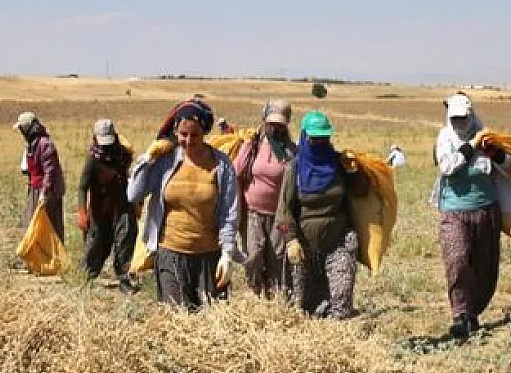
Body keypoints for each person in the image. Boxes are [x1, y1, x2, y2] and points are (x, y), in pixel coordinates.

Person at [128, 98, 243, 310]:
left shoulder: (221, 165)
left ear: (206, 132)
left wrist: (227, 254)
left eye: (195, 135)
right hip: (170, 254)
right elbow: (133, 194)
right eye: (183, 135)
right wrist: (147, 159)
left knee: (210, 324)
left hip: (209, 257)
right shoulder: (165, 161)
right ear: (175, 132)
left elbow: (229, 212)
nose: (189, 141)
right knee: (176, 322)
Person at [434, 93, 511, 340]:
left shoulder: (486, 135)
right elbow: (447, 166)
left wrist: (495, 153)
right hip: (454, 211)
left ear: (471, 115)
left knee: (484, 267)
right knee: (457, 260)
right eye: (454, 118)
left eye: (463, 118)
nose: (459, 123)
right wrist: (471, 147)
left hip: (486, 209)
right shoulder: (445, 137)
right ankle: (460, 314)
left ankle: (472, 312)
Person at [278, 111, 366, 319]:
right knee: (303, 306)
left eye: (324, 137)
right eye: (315, 138)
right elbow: (284, 209)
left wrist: (354, 172)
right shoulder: (294, 168)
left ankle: (339, 339)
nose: (320, 142)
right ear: (305, 138)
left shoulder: (339, 163)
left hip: (338, 242)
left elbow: (361, 193)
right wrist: (290, 240)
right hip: (304, 246)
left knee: (340, 299)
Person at [231, 99, 295, 298]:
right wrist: (248, 145)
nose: (275, 128)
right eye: (271, 124)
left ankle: (275, 294)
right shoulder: (254, 145)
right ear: (264, 122)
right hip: (253, 212)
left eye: (280, 125)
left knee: (277, 256)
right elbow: (237, 170)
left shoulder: (291, 151)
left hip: (279, 216)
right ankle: (255, 290)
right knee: (254, 255)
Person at [77, 118, 139, 292]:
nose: (106, 146)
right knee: (96, 247)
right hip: (100, 210)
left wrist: (136, 204)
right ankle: (84, 277)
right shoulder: (93, 160)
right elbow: (82, 187)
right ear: (95, 138)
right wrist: (81, 211)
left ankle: (124, 279)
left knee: (125, 242)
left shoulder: (122, 155)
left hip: (122, 207)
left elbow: (131, 176)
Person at [14, 111, 65, 245]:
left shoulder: (45, 144)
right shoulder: (33, 144)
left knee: (49, 226)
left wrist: (44, 193)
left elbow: (50, 171)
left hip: (48, 192)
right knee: (33, 224)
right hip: (36, 189)